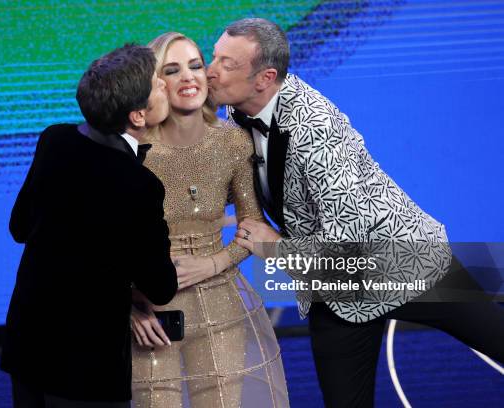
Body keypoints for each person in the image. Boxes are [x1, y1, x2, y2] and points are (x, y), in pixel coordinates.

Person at [207, 18, 504, 408]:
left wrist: (277, 249)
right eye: (214, 56)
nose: (210, 70)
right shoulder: (239, 111)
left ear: (265, 78)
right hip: (337, 291)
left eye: (226, 64)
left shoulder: (317, 128)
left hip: (401, 260)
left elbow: (350, 243)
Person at [0, 44, 178, 408]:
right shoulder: (139, 185)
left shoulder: (54, 139)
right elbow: (160, 287)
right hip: (86, 366)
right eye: (158, 83)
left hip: (29, 346)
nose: (166, 84)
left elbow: (20, 227)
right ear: (138, 116)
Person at [129, 32, 290, 408]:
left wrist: (211, 264)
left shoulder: (233, 142)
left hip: (221, 305)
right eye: (172, 69)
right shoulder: (134, 150)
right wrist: (130, 306)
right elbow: (102, 244)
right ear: (156, 84)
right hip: (152, 313)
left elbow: (251, 226)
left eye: (196, 65)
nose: (188, 76)